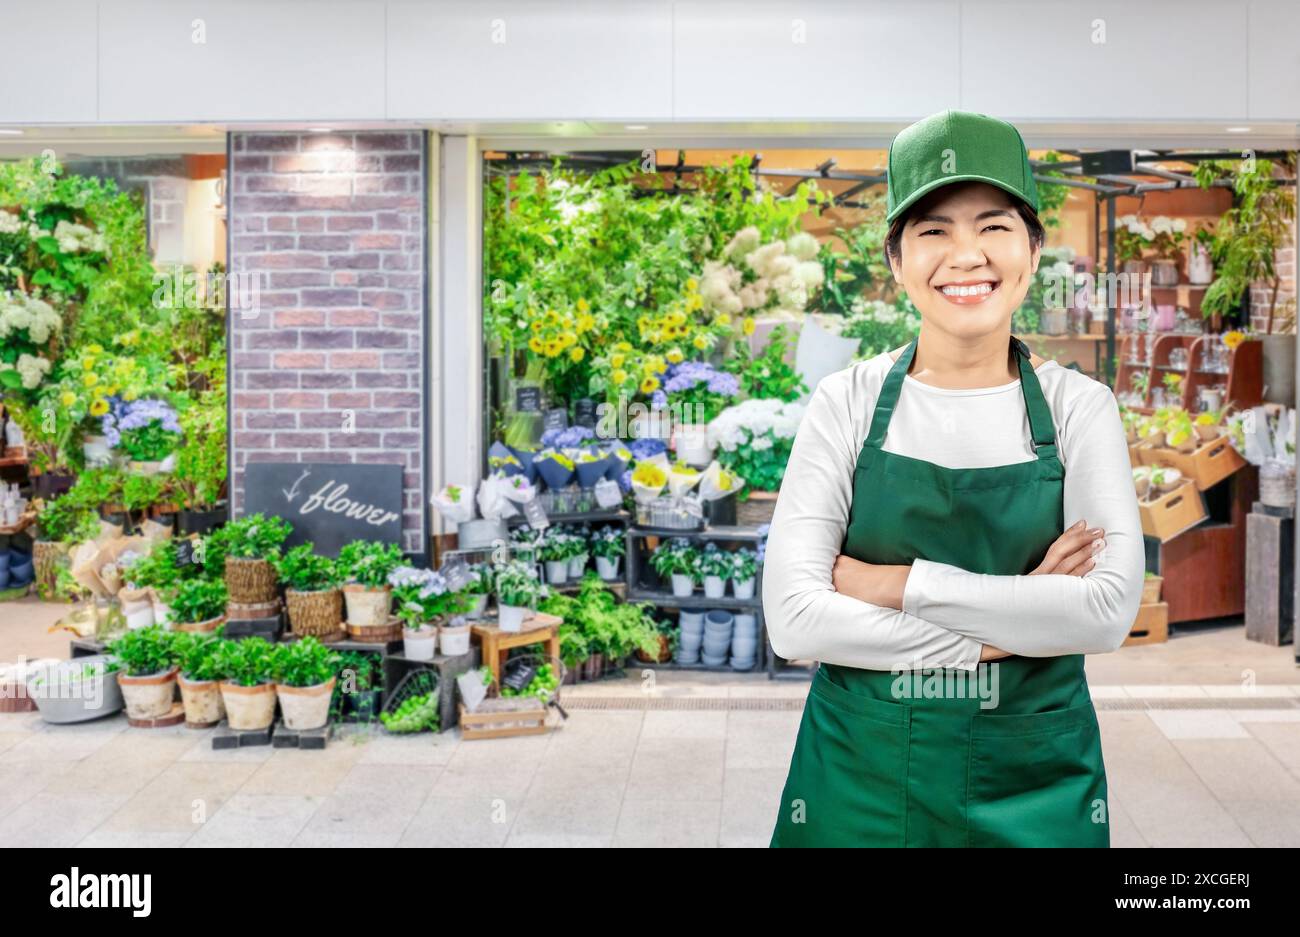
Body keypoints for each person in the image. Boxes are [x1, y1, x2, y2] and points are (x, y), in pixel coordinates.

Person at [764, 109, 1145, 848]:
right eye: (934, 230)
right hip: (858, 786)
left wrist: (894, 584)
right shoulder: (844, 404)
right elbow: (796, 620)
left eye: (993, 226)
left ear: (1032, 249)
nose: (965, 255)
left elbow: (1101, 613)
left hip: (1035, 781)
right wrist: (1017, 621)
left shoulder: (1078, 410)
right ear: (896, 259)